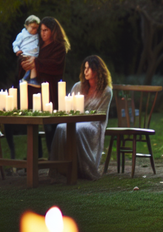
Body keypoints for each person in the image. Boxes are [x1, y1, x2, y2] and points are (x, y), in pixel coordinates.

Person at [50, 56, 113, 180]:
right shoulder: (78, 87)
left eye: (89, 68)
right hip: (75, 120)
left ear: (98, 70)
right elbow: (70, 106)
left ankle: (80, 168)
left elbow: (101, 114)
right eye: (85, 68)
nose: (86, 71)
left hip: (94, 124)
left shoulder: (106, 91)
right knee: (60, 127)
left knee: (76, 130)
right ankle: (61, 168)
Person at [21, 16, 69, 154]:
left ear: (53, 31)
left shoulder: (59, 47)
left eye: (46, 30)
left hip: (52, 89)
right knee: (33, 121)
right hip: (35, 88)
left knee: (51, 125)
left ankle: (54, 157)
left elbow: (56, 66)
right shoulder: (38, 45)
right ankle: (36, 156)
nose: (42, 33)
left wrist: (36, 63)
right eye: (41, 30)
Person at [13, 15, 41, 86]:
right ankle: (26, 79)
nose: (35, 30)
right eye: (33, 27)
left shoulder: (37, 36)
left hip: (35, 55)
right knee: (30, 64)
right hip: (25, 54)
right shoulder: (22, 35)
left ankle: (32, 79)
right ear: (26, 26)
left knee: (34, 64)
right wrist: (17, 50)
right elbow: (15, 44)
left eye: (36, 28)